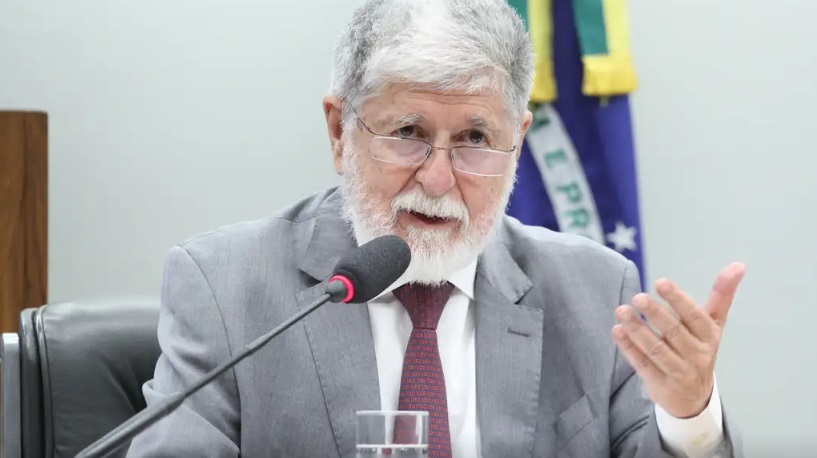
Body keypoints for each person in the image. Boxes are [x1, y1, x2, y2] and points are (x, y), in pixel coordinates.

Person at [127, 0, 746, 456]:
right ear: (339, 131)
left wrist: (690, 414)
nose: (439, 179)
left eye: (475, 138)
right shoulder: (228, 287)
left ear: (517, 141)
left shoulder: (596, 290)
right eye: (408, 133)